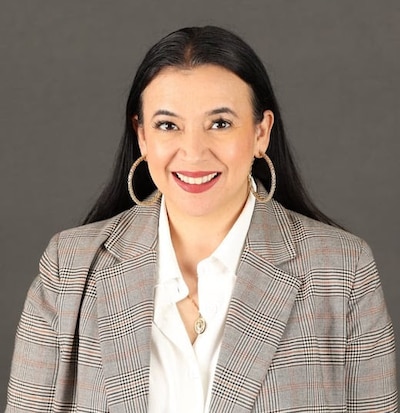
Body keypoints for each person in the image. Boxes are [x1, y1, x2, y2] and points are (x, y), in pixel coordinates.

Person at [6, 26, 397, 413]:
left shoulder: (342, 271)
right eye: (168, 125)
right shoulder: (67, 268)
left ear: (261, 132)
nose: (193, 152)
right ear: (141, 135)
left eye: (220, 123)